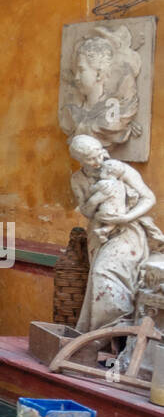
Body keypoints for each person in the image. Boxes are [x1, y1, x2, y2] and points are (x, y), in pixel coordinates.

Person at [68, 134, 164, 332]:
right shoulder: (78, 179)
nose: (98, 161)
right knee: (97, 277)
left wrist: (124, 218)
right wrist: (97, 198)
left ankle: (114, 329)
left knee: (104, 271)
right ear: (79, 160)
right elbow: (85, 211)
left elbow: (149, 198)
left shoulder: (118, 169)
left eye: (99, 154)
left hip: (129, 231)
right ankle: (107, 336)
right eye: (90, 159)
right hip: (99, 234)